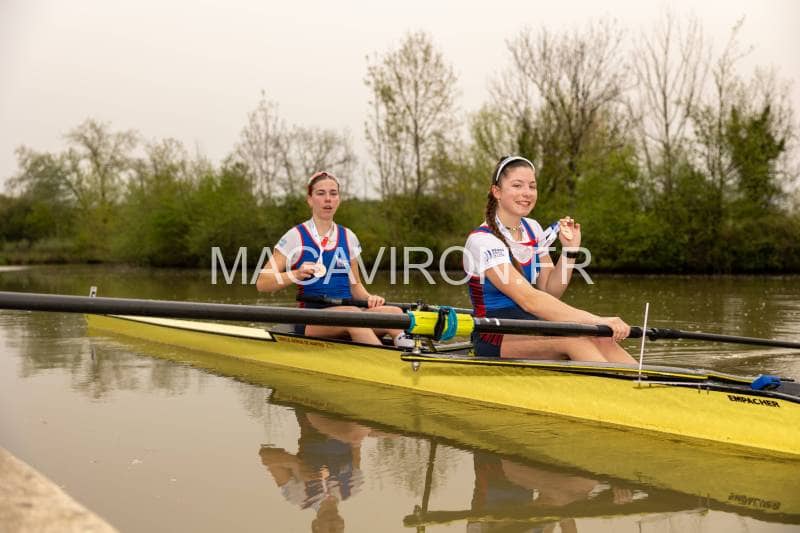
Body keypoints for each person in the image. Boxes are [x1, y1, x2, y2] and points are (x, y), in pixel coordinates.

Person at [463, 155, 636, 363]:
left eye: (532, 186)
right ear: (497, 192)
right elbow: (530, 300)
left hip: (531, 328)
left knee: (601, 338)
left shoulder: (533, 229)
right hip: (494, 336)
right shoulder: (482, 241)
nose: (526, 193)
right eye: (517, 185)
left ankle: (645, 380)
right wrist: (597, 320)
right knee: (576, 341)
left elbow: (549, 291)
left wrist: (570, 251)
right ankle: (614, 382)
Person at [256, 170, 411, 347]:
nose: (328, 199)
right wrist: (296, 274)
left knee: (394, 313)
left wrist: (370, 298)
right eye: (321, 193)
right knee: (352, 315)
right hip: (312, 320)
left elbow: (355, 286)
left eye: (333, 193)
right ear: (310, 200)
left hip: (349, 314)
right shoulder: (295, 237)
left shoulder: (349, 237)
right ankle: (384, 361)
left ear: (339, 199)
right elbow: (262, 283)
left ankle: (409, 353)